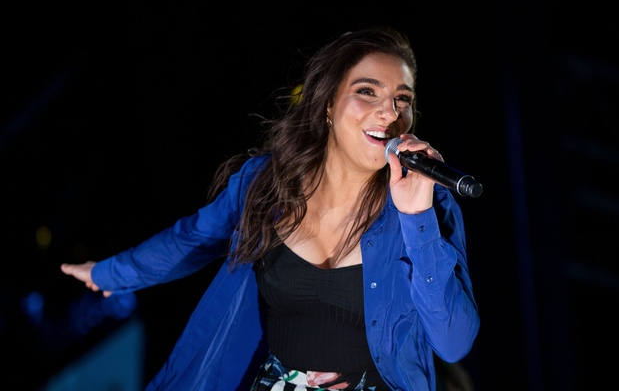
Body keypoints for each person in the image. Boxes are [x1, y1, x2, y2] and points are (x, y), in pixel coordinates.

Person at [60, 25, 480, 391]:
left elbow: (453, 341)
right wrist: (109, 273)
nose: (389, 112)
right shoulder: (266, 183)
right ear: (328, 106)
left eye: (402, 98)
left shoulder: (427, 204)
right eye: (367, 91)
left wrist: (416, 218)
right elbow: (192, 237)